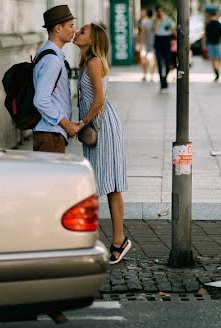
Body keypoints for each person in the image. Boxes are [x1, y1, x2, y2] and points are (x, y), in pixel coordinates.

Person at [73, 22, 131, 264]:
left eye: (83, 31)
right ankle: (101, 240)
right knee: (100, 183)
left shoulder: (95, 62)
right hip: (97, 127)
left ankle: (119, 241)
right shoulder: (87, 62)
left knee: (109, 185)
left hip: (103, 126)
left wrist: (80, 124)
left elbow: (98, 100)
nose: (77, 32)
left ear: (93, 39)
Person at [33, 4, 82, 153]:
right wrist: (66, 125)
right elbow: (41, 100)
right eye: (71, 26)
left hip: (51, 133)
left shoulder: (48, 53)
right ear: (58, 28)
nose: (74, 30)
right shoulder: (52, 60)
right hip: (50, 134)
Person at [153, 6, 176, 90]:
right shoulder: (155, 20)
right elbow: (154, 30)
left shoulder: (168, 20)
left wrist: (171, 33)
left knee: (167, 62)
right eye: (158, 11)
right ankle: (161, 81)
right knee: (159, 63)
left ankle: (165, 78)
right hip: (158, 40)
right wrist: (158, 21)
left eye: (161, 11)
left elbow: (173, 30)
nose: (160, 13)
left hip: (166, 40)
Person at [203, 11, 221, 81]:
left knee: (213, 59)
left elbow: (204, 35)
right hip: (218, 43)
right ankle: (217, 69)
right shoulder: (219, 24)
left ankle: (216, 70)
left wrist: (204, 45)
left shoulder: (208, 24)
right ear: (216, 16)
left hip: (210, 43)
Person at [139, 9, 156, 81]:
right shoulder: (154, 22)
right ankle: (152, 75)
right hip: (153, 43)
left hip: (145, 44)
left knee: (143, 59)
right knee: (152, 60)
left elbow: (142, 33)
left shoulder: (144, 22)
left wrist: (141, 43)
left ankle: (144, 75)